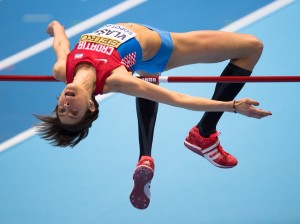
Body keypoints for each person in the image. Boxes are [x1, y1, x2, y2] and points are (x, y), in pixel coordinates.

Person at [36, 20, 272, 209]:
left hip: (141, 57)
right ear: (91, 105)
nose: (67, 104)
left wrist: (57, 28)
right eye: (74, 111)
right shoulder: (116, 79)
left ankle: (147, 156)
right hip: (162, 48)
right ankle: (203, 133)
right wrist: (231, 105)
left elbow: (61, 46)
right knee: (252, 47)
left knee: (147, 72)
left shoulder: (62, 69)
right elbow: (178, 99)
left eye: (62, 109)